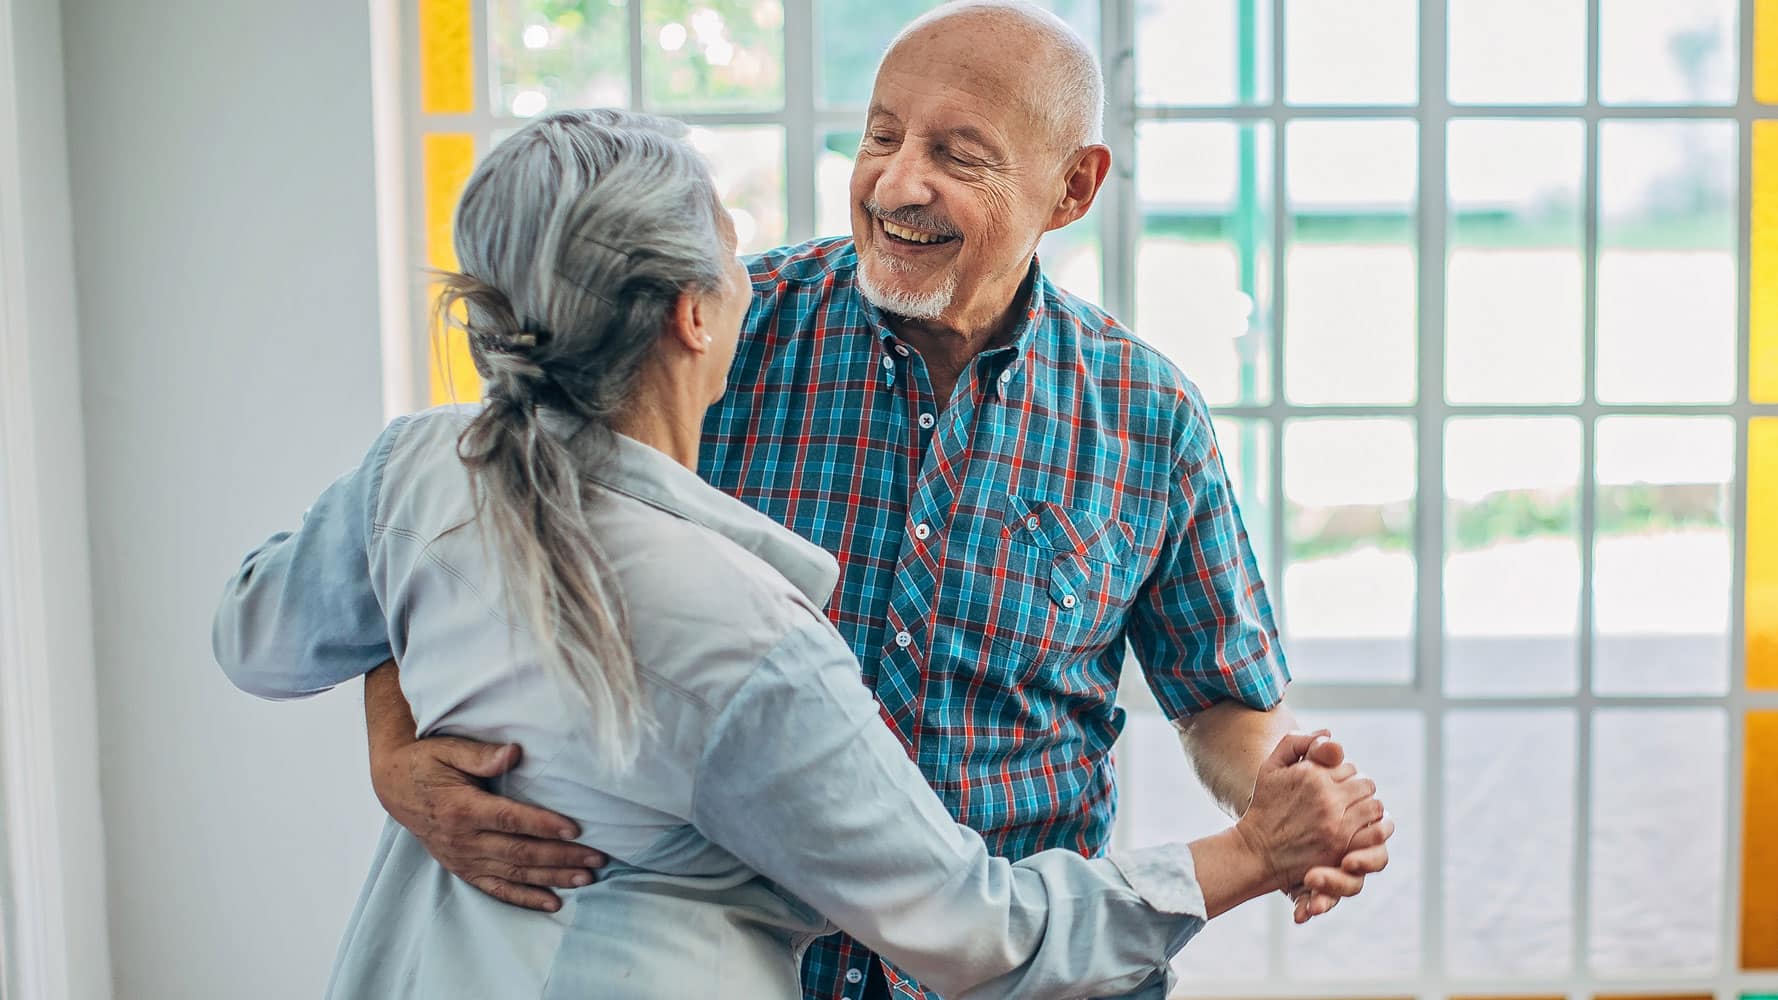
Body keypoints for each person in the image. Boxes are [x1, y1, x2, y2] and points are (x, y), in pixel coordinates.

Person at [214, 108, 1386, 1000]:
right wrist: (395, 742)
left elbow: (287, 617)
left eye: (958, 152)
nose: (896, 180)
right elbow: (975, 924)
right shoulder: (753, 622)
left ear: (1069, 186)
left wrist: (1287, 807)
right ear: (693, 313)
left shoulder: (420, 465)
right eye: (878, 135)